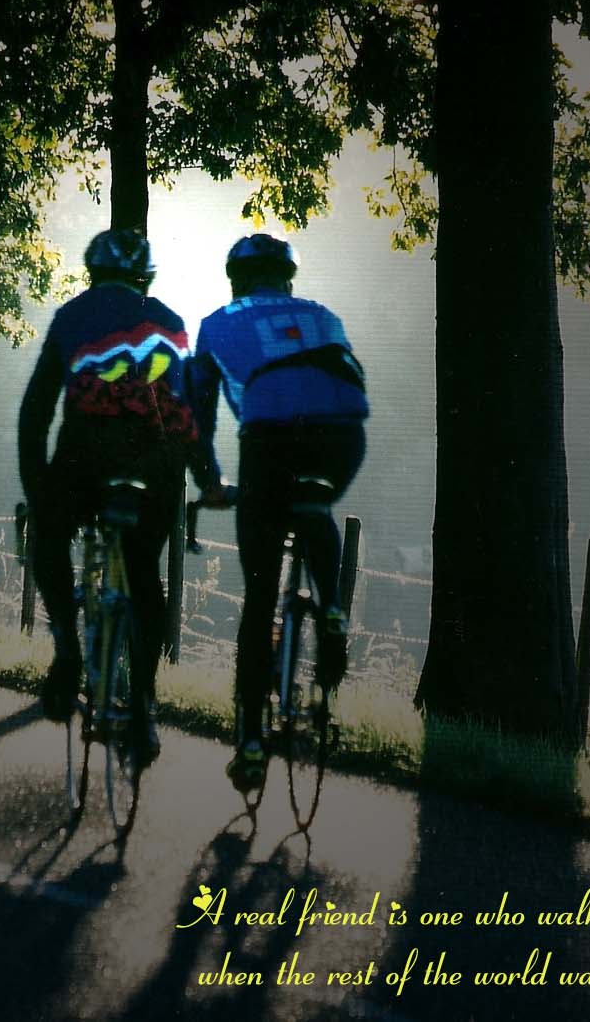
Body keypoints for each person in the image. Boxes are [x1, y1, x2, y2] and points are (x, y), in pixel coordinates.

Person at [187, 233, 368, 790]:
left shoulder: (217, 322)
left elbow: (199, 410)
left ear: (234, 281)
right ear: (288, 280)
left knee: (261, 597)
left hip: (267, 440)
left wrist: (210, 481)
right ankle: (333, 606)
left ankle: (249, 743)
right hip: (343, 437)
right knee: (314, 500)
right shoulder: (323, 314)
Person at [18, 228, 197, 766]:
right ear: (147, 277)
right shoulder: (170, 320)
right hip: (154, 474)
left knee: (48, 538)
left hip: (82, 466)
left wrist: (39, 489)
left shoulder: (72, 316)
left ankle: (67, 652)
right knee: (144, 574)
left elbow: (36, 411)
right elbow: (185, 416)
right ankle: (144, 703)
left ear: (92, 272)